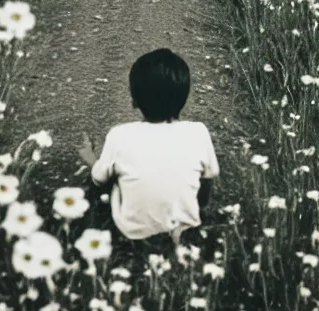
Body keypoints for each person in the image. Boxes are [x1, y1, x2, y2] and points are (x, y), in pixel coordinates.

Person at [79, 48, 219, 246]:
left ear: (134, 101)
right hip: (187, 223)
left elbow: (99, 179)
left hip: (130, 230)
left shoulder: (120, 135)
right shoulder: (199, 132)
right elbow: (206, 184)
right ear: (183, 99)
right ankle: (177, 232)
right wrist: (200, 206)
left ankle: (117, 222)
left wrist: (90, 158)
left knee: (111, 176)